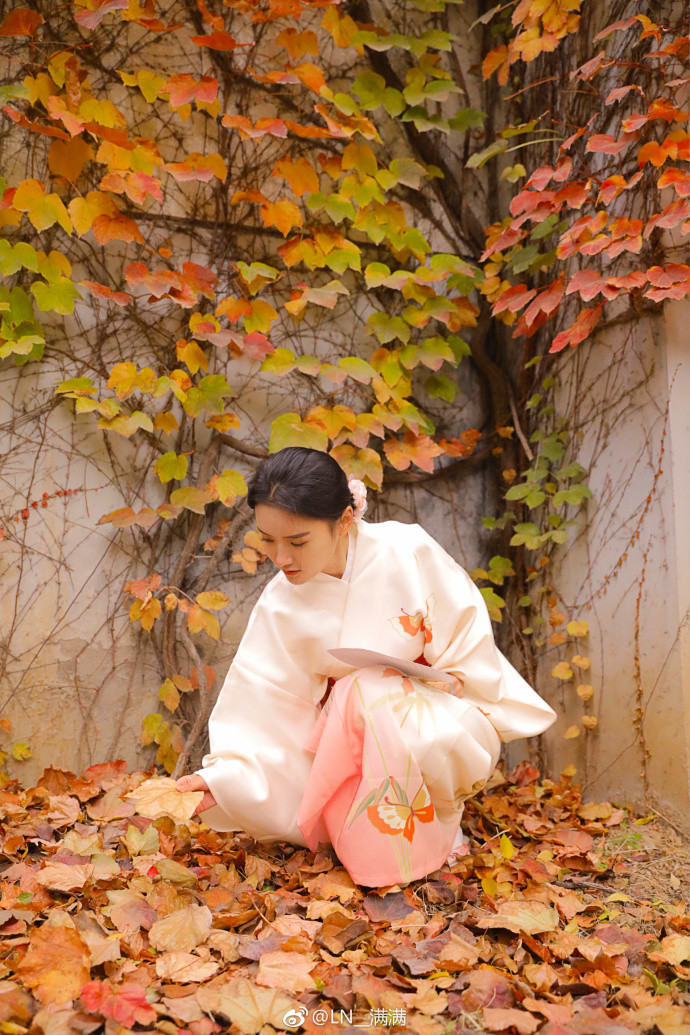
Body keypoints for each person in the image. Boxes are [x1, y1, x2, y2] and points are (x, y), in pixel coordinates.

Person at [176, 446, 557, 887]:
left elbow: (465, 639)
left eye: (297, 542)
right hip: (344, 736)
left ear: (343, 520)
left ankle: (438, 829)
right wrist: (225, 779)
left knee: (373, 693)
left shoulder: (405, 549)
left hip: (438, 715)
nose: (281, 559)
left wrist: (445, 682)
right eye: (267, 539)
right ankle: (376, 849)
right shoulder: (281, 603)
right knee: (362, 696)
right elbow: (264, 704)